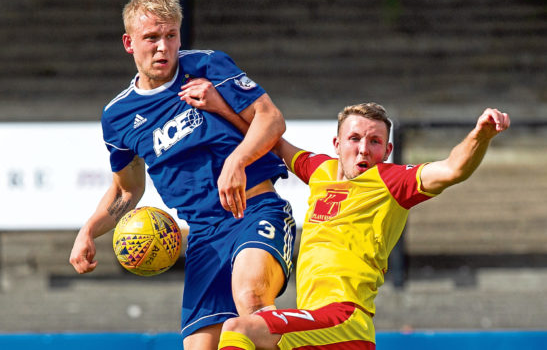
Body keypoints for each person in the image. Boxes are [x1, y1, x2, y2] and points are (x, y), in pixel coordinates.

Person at [185, 97, 510, 349]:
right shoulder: (320, 170)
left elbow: (453, 169)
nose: (363, 150)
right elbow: (270, 140)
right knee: (250, 330)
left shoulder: (391, 181)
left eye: (374, 142)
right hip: (313, 328)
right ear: (337, 144)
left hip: (343, 318)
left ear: (388, 150)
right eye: (354, 139)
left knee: (240, 328)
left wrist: (480, 135)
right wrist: (220, 105)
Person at [68, 0, 296, 350]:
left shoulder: (209, 66)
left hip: (256, 210)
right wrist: (88, 231)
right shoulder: (118, 116)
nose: (163, 47)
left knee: (250, 300)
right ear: (129, 43)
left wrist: (236, 160)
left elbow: (272, 120)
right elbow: (127, 190)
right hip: (204, 235)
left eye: (171, 36)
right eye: (151, 38)